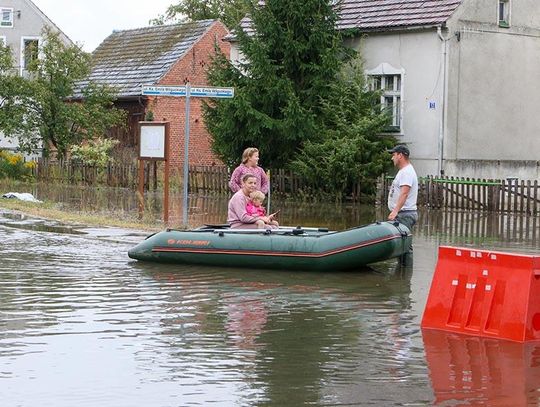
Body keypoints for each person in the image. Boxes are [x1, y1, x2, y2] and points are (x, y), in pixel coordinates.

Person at [387, 145, 418, 264]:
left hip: (405, 214)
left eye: (393, 155)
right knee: (402, 246)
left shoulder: (407, 172)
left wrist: (395, 211)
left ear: (400, 155)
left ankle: (405, 278)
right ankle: (402, 275)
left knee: (406, 247)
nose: (392, 158)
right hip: (403, 213)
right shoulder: (404, 171)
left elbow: (404, 193)